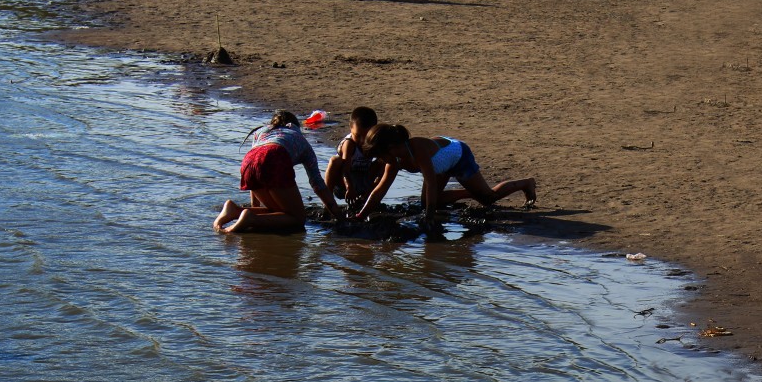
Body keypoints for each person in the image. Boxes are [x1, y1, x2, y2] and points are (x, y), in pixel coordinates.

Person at [356, 124, 536, 221]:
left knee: (488, 198)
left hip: (457, 156)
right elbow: (380, 190)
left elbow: (431, 182)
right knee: (428, 201)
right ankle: (470, 192)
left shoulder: (417, 150)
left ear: (391, 147)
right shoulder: (392, 161)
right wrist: (361, 215)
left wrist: (429, 217)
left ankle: (526, 183)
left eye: (380, 155)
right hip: (438, 168)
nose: (380, 160)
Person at [214, 110, 343, 233]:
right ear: (296, 127)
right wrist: (339, 216)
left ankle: (234, 210)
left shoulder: (260, 133)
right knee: (298, 219)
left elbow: (257, 163)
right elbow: (317, 184)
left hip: (248, 161)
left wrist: (256, 208)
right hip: (275, 157)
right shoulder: (301, 140)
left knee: (276, 211)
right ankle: (250, 218)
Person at [323, 106, 385, 212]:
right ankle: (327, 201)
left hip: (364, 182)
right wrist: (349, 187)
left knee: (383, 162)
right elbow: (345, 170)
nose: (362, 141)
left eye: (366, 136)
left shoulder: (373, 142)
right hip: (345, 185)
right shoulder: (349, 144)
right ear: (351, 128)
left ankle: (369, 198)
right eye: (358, 135)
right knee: (335, 161)